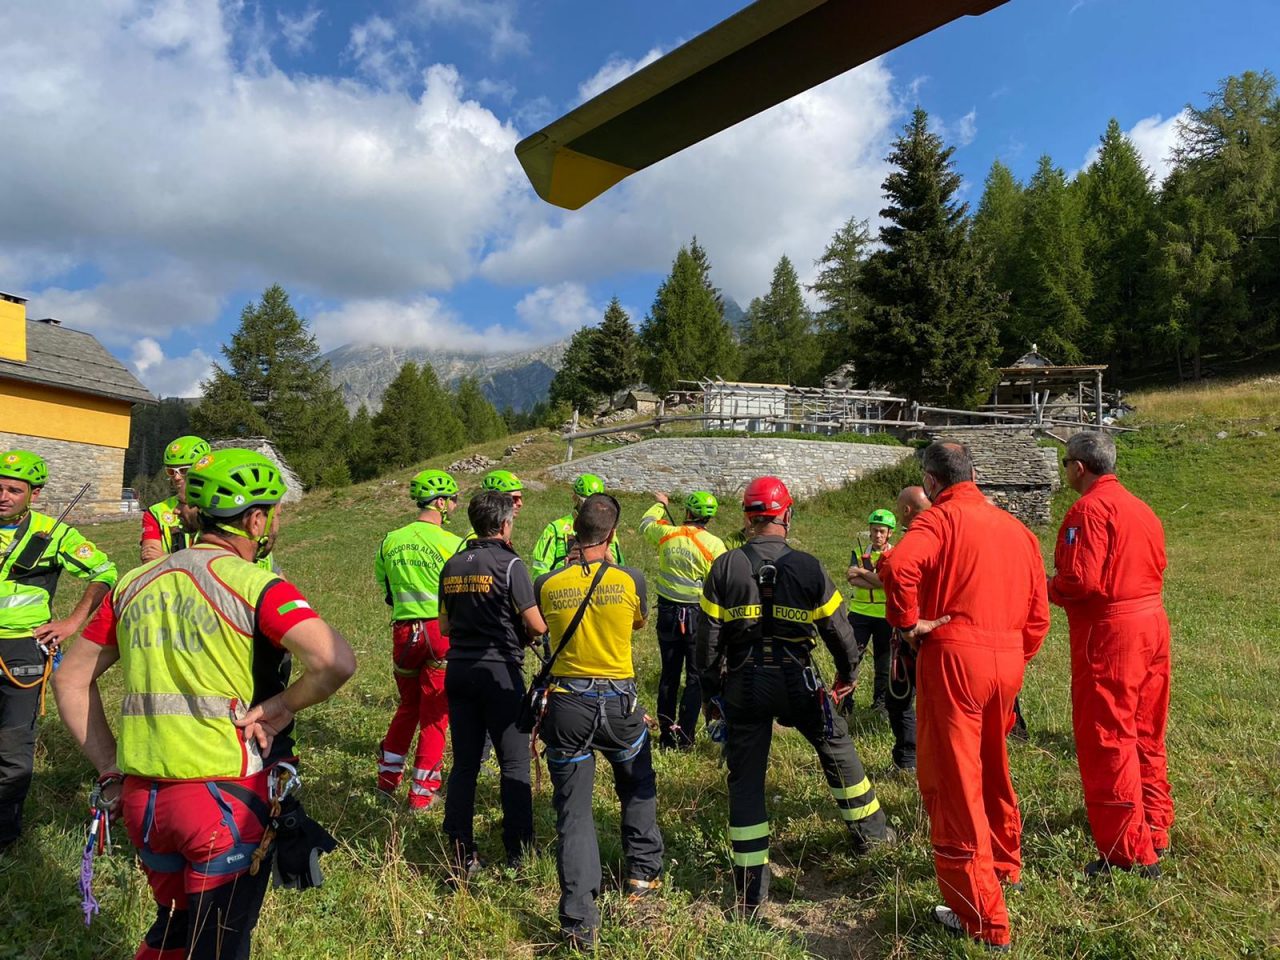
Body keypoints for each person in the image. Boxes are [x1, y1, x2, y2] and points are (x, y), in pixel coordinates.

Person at [55, 448, 356, 959]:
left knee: (173, 930)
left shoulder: (132, 584)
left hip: (143, 801)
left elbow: (70, 679)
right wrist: (283, 705)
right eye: (274, 514)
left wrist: (109, 770)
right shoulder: (255, 584)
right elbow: (335, 662)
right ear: (256, 520)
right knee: (218, 943)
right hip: (223, 798)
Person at [880, 442, 1049, 953]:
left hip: (955, 656)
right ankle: (1005, 864)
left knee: (954, 780)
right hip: (1008, 659)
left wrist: (907, 624)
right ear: (973, 473)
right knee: (992, 763)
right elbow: (1038, 612)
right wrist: (1014, 656)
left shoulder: (938, 520)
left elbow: (898, 568)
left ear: (931, 482)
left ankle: (980, 915)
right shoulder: (1016, 528)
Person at [697, 476, 892, 914]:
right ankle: (874, 837)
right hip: (797, 680)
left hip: (743, 684)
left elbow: (707, 643)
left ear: (747, 517)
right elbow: (839, 631)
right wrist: (847, 675)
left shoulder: (725, 567)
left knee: (746, 779)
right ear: (786, 514)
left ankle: (751, 889)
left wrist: (713, 696)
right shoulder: (807, 566)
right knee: (836, 746)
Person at [534, 494, 662, 950]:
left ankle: (578, 922)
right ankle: (642, 875)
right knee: (636, 783)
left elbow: (539, 628)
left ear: (574, 531)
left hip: (568, 704)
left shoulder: (546, 584)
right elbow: (638, 624)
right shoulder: (631, 579)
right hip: (620, 704)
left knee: (574, 812)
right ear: (612, 535)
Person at [1049, 430, 1171, 878]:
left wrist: (1046, 586)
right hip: (1152, 625)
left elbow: (1080, 580)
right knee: (1145, 730)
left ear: (1079, 467)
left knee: (1107, 735)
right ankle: (1155, 827)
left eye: (1066, 463)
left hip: (1111, 632)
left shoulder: (1087, 510)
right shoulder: (1142, 508)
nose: (1065, 470)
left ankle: (1127, 852)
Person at [0, 450, 116, 851]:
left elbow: (105, 572)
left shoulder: (55, 533)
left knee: (12, 744)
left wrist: (72, 622)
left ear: (34, 494)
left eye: (14, 489)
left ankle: (5, 836)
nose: (3, 496)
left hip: (22, 651)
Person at [439, 491, 546, 875]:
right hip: (499, 671)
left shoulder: (452, 565)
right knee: (514, 764)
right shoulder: (510, 564)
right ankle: (518, 851)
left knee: (465, 765)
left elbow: (444, 626)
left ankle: (460, 851)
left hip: (458, 671)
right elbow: (536, 625)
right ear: (503, 525)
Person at [374, 469, 463, 809]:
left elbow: (386, 589)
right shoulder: (453, 543)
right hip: (440, 633)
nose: (454, 506)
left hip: (404, 632)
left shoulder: (390, 540)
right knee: (435, 715)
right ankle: (422, 795)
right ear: (440, 503)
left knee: (408, 706)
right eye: (452, 500)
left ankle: (386, 781)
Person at [638, 490, 725, 749]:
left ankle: (666, 735)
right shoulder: (714, 545)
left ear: (687, 512)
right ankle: (685, 736)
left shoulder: (667, 534)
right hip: (697, 616)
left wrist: (660, 504)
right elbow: (720, 583)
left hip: (668, 613)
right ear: (709, 518)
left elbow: (645, 524)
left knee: (669, 674)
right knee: (695, 677)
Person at [846, 508, 898, 716]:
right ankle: (845, 701)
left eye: (882, 531)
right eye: (875, 530)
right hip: (859, 612)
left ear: (890, 533)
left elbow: (888, 582)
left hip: (885, 615)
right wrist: (877, 580)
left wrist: (862, 572)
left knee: (883, 662)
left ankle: (880, 703)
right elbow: (851, 578)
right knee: (850, 658)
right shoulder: (858, 552)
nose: (877, 535)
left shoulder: (895, 554)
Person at [530, 474, 624, 577]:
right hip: (563, 583)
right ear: (575, 498)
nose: (590, 508)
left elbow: (620, 567)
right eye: (585, 502)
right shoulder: (555, 528)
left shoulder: (607, 530)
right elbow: (540, 567)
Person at [139, 435, 210, 562]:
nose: (176, 477)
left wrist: (166, 559)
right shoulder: (156, 512)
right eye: (171, 471)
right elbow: (149, 558)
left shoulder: (219, 506)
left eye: (184, 470)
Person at [463, 470, 525, 543]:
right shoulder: (479, 539)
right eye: (513, 499)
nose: (520, 503)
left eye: (520, 498)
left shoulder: (498, 533)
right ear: (495, 500)